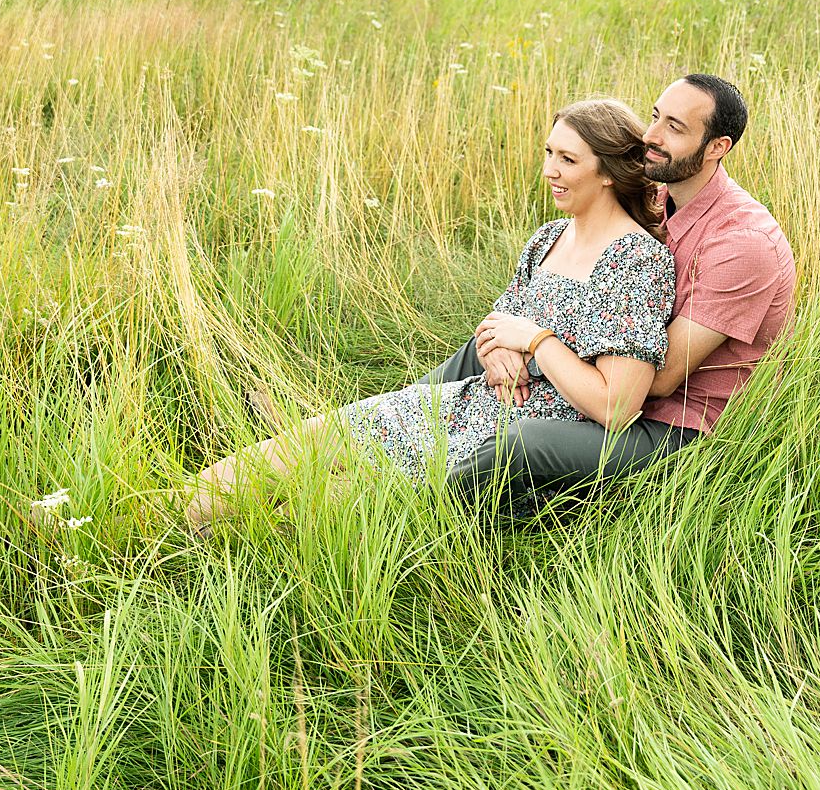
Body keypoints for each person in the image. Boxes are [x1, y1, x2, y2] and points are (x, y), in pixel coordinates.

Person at [184, 98, 676, 532]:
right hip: (463, 403)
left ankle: (201, 544)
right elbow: (497, 324)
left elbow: (616, 406)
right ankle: (159, 513)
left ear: (609, 172)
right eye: (549, 152)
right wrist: (492, 348)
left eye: (568, 159)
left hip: (505, 439)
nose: (549, 169)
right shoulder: (549, 237)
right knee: (298, 447)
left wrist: (535, 342)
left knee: (311, 505)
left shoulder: (634, 260)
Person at [434, 73, 796, 515]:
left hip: (674, 430)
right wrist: (500, 342)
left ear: (717, 147)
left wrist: (535, 341)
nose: (652, 136)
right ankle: (386, 426)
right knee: (481, 348)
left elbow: (659, 380)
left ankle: (416, 509)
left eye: (675, 128)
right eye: (655, 117)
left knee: (520, 442)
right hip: (609, 379)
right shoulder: (657, 196)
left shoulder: (743, 243)